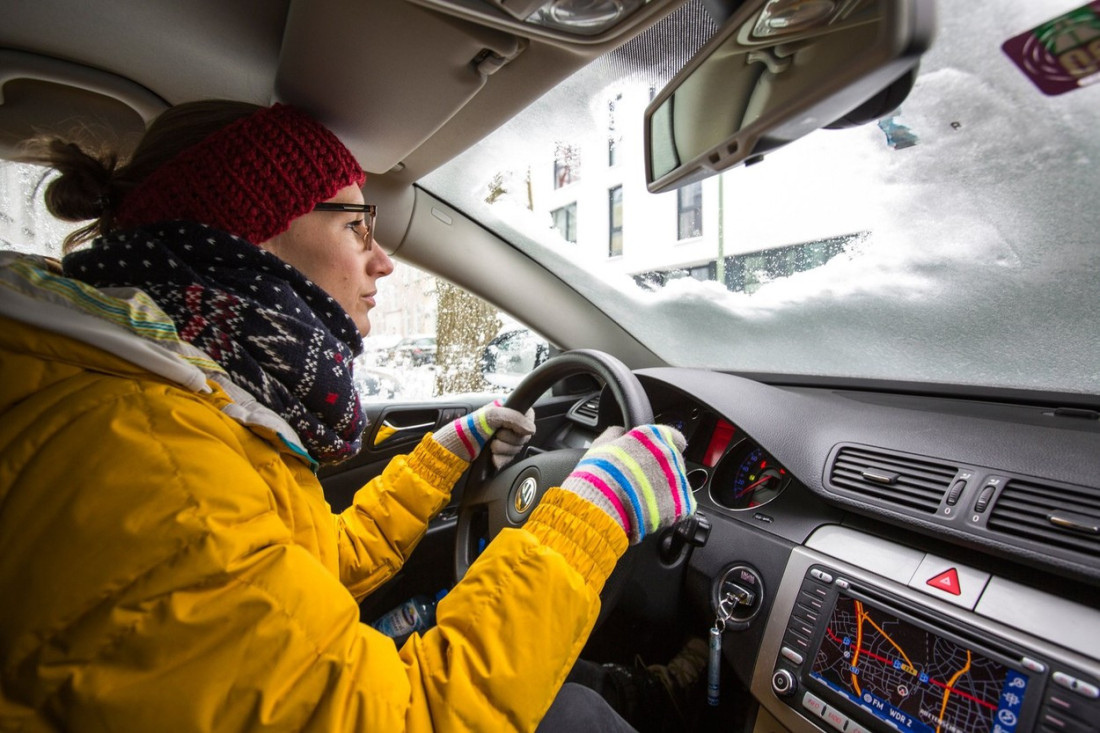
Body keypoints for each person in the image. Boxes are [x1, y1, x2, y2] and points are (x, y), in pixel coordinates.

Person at [0, 100, 697, 731]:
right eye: (359, 226)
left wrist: (444, 456)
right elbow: (404, 716)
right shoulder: (155, 463)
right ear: (252, 228)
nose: (383, 261)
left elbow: (310, 566)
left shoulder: (175, 405)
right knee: (577, 717)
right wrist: (590, 514)